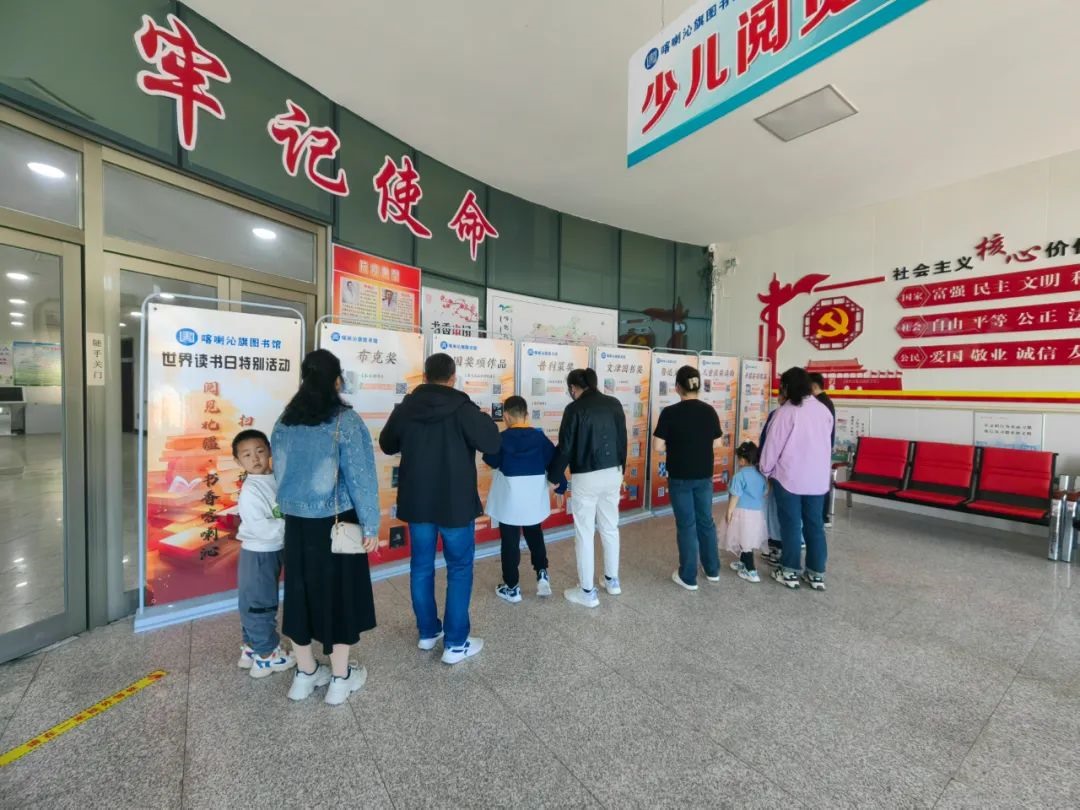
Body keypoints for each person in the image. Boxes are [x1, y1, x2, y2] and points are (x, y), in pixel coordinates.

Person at [272, 349, 380, 705]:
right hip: (337, 524)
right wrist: (371, 525)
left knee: (299, 594)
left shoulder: (285, 422)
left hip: (297, 526)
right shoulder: (345, 422)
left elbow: (279, 473)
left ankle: (305, 674)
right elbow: (361, 478)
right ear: (337, 381)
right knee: (340, 597)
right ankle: (340, 679)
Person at [379, 353, 501, 664]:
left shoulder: (407, 407)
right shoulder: (463, 408)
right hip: (455, 504)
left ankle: (427, 632)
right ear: (452, 377)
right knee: (459, 568)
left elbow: (387, 444)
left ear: (425, 376)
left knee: (421, 566)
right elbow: (492, 443)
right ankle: (456, 643)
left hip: (417, 503)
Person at [549, 368, 627, 608]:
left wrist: (554, 476)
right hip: (613, 471)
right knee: (610, 527)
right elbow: (622, 440)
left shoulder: (574, 409)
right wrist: (622, 470)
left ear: (574, 388)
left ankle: (587, 592)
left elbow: (565, 447)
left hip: (586, 475)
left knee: (584, 532)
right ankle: (612, 581)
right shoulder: (614, 404)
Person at [482, 396, 567, 603]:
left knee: (510, 542)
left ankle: (512, 588)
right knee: (535, 534)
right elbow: (554, 462)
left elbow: (491, 459)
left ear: (507, 416)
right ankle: (542, 573)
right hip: (533, 497)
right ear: (526, 415)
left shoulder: (501, 439)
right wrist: (561, 487)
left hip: (509, 500)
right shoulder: (539, 437)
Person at [759, 367, 834, 591]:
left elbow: (772, 446)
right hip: (817, 480)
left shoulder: (786, 412)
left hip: (790, 479)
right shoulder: (823, 411)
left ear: (787, 387)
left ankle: (789, 570)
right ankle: (816, 573)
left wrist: (765, 470)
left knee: (791, 525)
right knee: (814, 525)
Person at [652, 365, 722, 591]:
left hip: (680, 476)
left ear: (677, 387)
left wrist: (676, 446)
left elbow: (657, 446)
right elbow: (717, 442)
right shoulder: (709, 411)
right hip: (704, 475)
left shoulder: (670, 413)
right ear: (698, 387)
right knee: (706, 521)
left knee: (686, 525)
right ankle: (712, 570)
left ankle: (688, 576)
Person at [233, 429, 296, 678]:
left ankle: (252, 648)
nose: (255, 458)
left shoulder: (274, 477)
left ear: (269, 450)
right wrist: (292, 525)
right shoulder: (250, 491)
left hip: (272, 550)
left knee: (257, 601)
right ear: (238, 461)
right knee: (260, 604)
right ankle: (267, 656)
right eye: (247, 455)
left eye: (259, 451)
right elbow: (263, 529)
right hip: (259, 553)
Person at [722, 442, 769, 584]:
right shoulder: (761, 476)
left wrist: (729, 511)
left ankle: (751, 571)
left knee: (745, 542)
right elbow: (765, 492)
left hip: (741, 513)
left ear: (742, 460)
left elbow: (735, 496)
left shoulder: (739, 476)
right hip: (756, 514)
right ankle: (742, 562)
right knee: (747, 539)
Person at [759, 391, 786, 567]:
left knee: (775, 511)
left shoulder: (779, 415)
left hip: (778, 473)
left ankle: (777, 548)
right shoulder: (819, 412)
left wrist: (764, 470)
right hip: (798, 477)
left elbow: (767, 444)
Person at [808, 372, 837, 529]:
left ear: (813, 386)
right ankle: (822, 516)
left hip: (819, 450)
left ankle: (822, 516)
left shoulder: (820, 403)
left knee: (820, 484)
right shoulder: (826, 401)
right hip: (822, 449)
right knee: (820, 482)